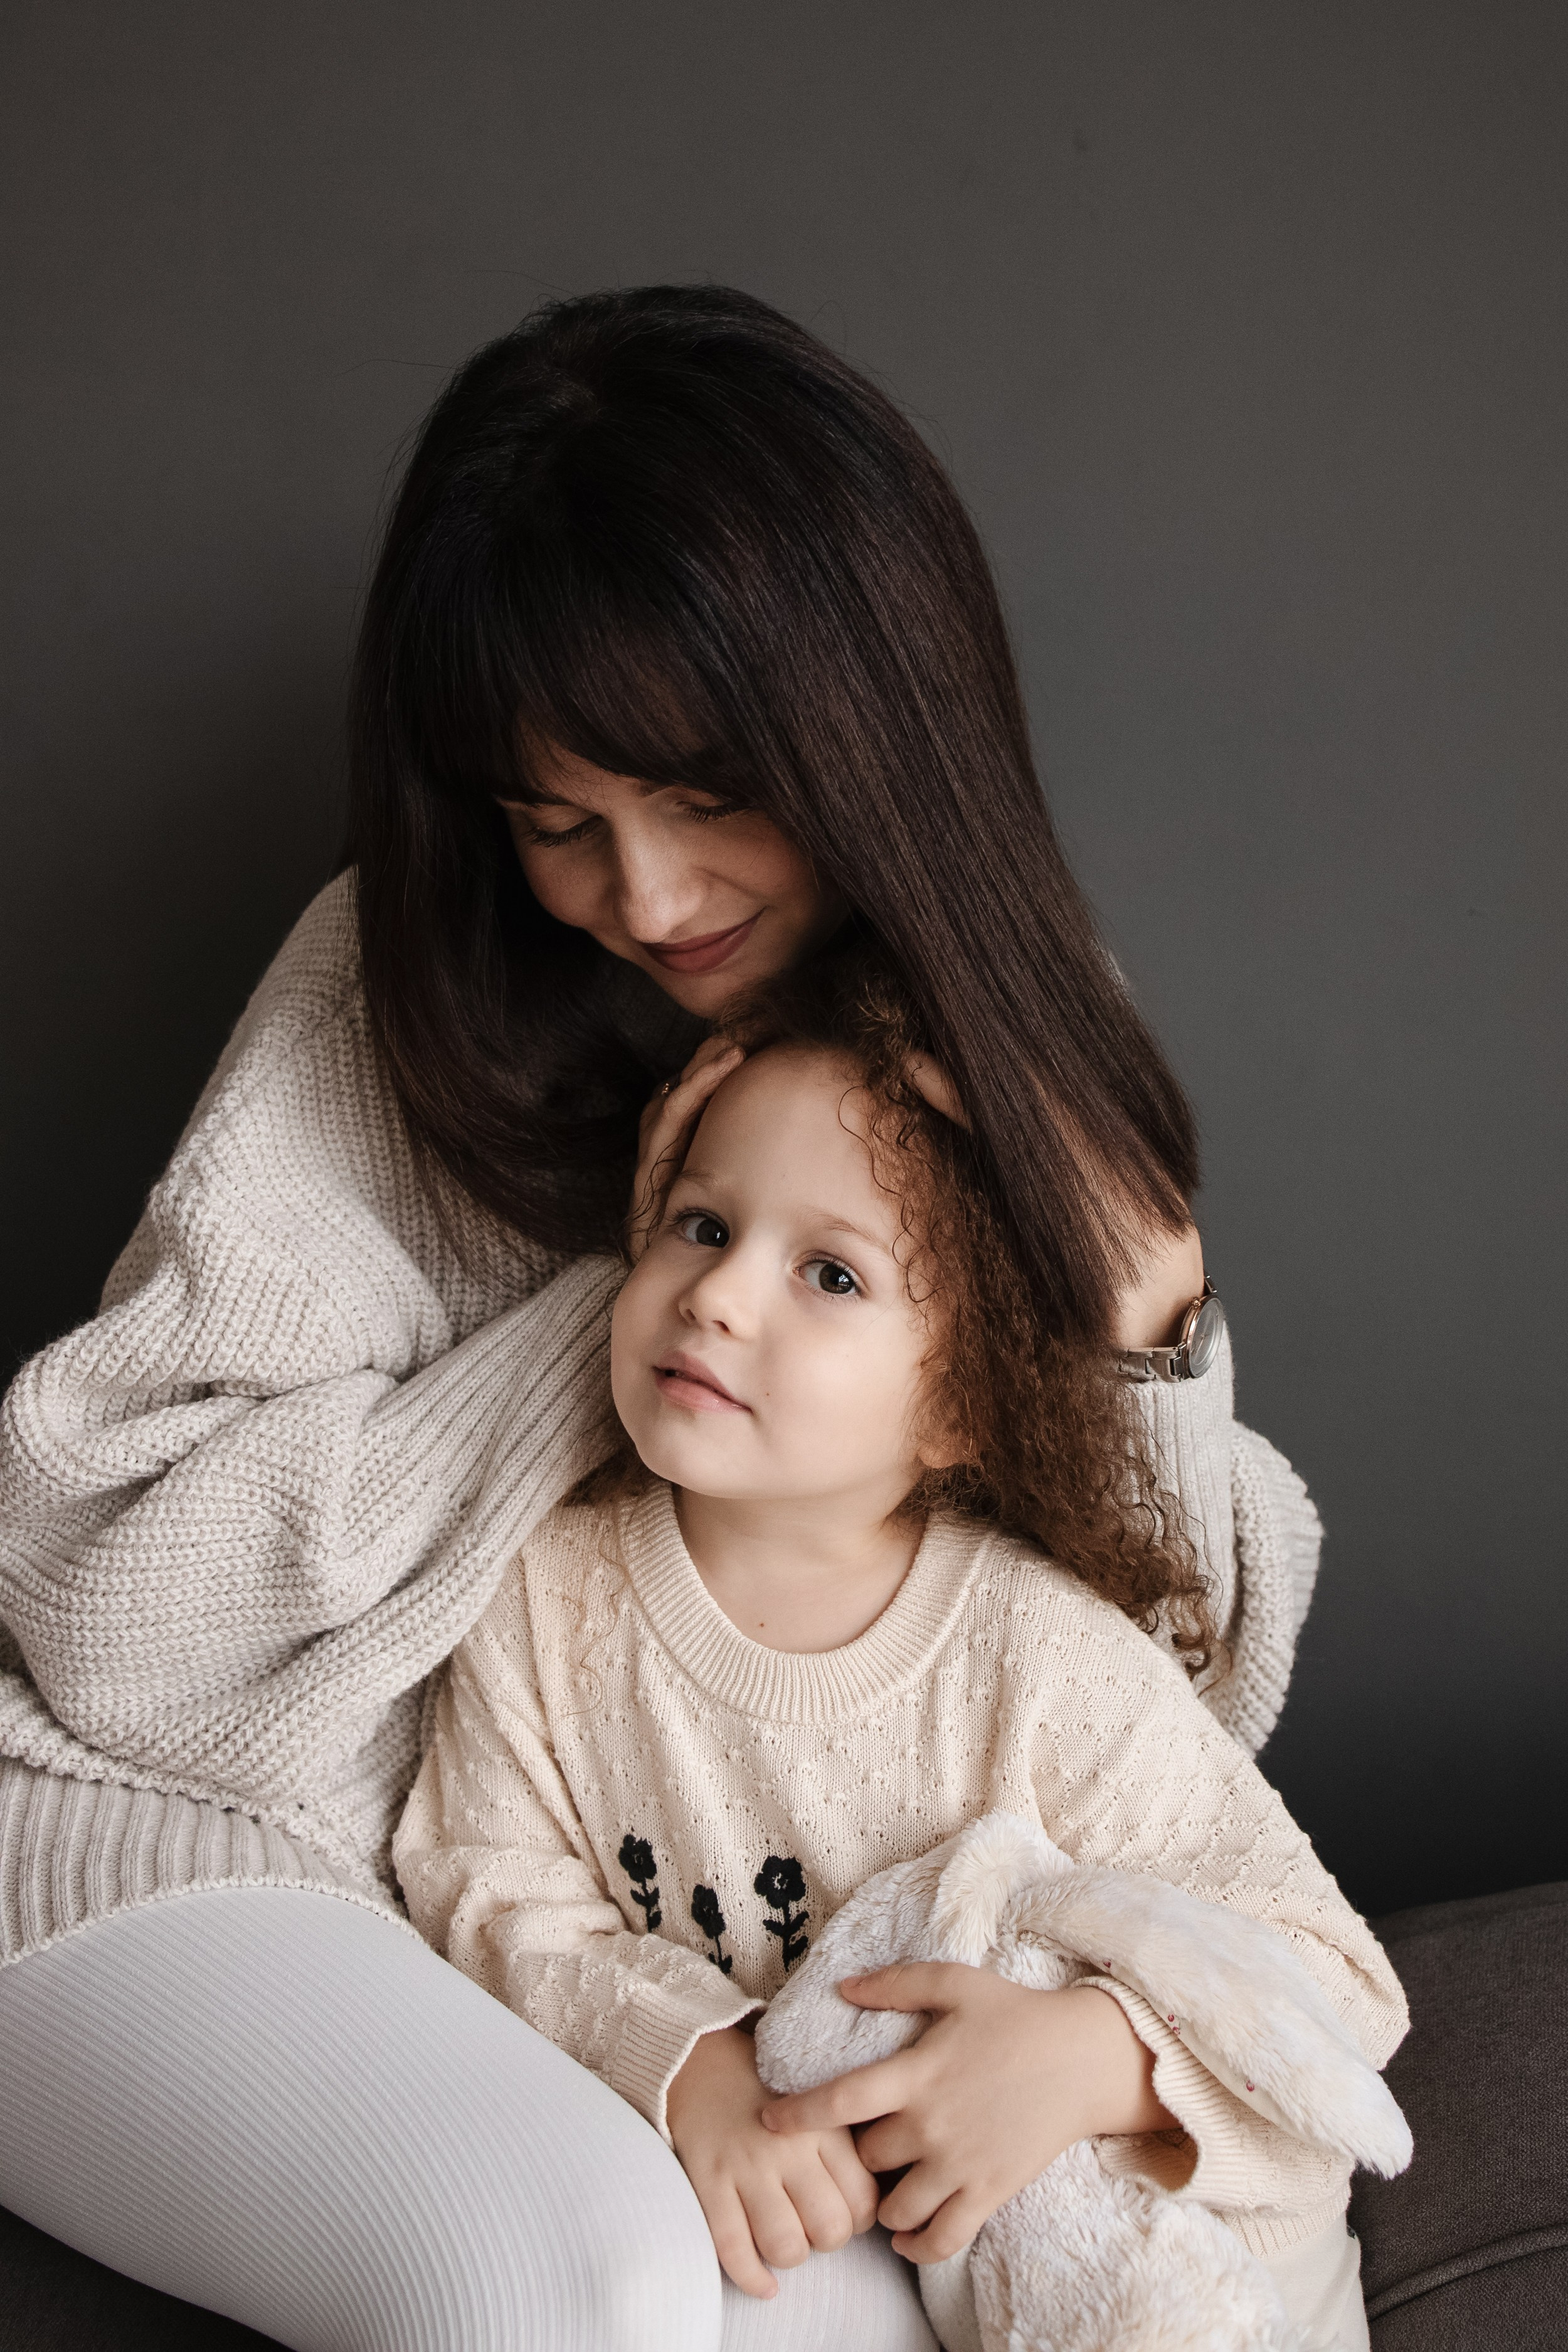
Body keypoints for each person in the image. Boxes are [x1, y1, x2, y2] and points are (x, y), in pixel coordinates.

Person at [0, 287, 1322, 2350]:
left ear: (869, 733)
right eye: (557, 821)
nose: (643, 894)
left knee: (865, 2304)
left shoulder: (996, 1044)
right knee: (584, 2279)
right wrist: (664, 1302)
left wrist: (1142, 1320)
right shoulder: (399, 976)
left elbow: (1145, 1737)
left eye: (705, 795)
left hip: (626, 1953)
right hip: (178, 1846)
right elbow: (113, 1620)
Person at [394, 961, 1402, 2352]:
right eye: (700, 1225)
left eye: (831, 1273)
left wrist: (1087, 2063)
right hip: (890, 2270)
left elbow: (1331, 1981)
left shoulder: (1038, 1656)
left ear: (960, 1404)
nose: (718, 1294)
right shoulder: (543, 1599)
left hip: (1196, 2282)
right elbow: (485, 1885)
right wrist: (690, 2062)